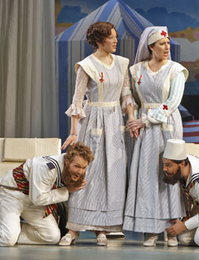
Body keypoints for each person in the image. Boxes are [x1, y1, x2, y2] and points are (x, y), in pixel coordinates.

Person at [59, 21, 136, 246]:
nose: (115, 41)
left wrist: (132, 120)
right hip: (92, 120)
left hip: (113, 122)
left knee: (110, 172)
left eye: (115, 37)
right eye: (111, 37)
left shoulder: (122, 63)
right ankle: (74, 228)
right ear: (100, 41)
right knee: (88, 172)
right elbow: (77, 99)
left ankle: (102, 227)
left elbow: (126, 94)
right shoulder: (87, 65)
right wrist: (74, 132)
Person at [0, 142, 94, 246]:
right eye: (77, 166)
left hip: (32, 202)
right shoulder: (46, 167)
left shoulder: (70, 172)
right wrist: (67, 191)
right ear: (67, 160)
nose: (80, 171)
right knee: (8, 239)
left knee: (52, 236)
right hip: (13, 195)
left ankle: (13, 229)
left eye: (83, 167)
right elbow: (39, 198)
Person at [123, 26, 187, 247]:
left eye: (168, 43)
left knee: (169, 174)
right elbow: (129, 95)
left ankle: (172, 228)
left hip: (166, 124)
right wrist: (133, 119)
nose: (166, 47)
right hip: (144, 126)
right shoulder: (136, 70)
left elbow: (173, 101)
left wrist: (146, 119)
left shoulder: (176, 70)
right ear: (151, 47)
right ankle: (150, 230)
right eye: (162, 44)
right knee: (147, 174)